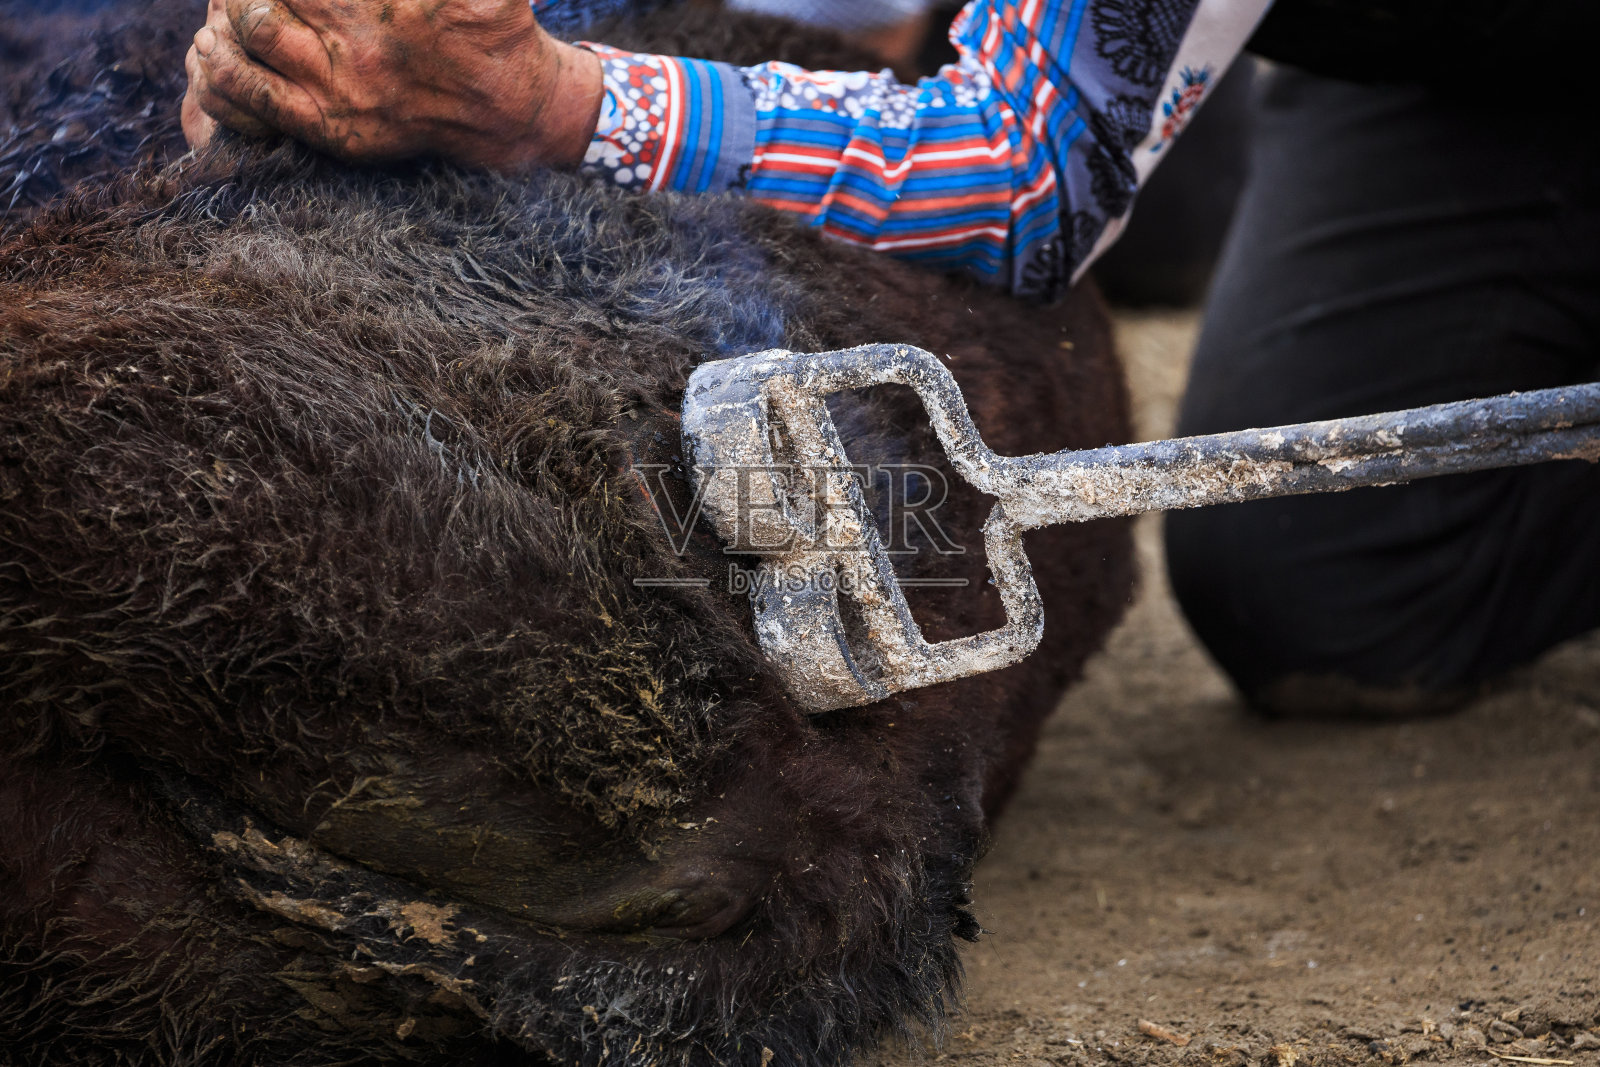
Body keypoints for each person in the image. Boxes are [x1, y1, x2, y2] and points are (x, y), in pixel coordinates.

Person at [183, 0, 1600, 717]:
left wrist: (547, 105)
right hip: (1463, 73)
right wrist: (342, 47)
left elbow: (1025, 168)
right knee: (1333, 592)